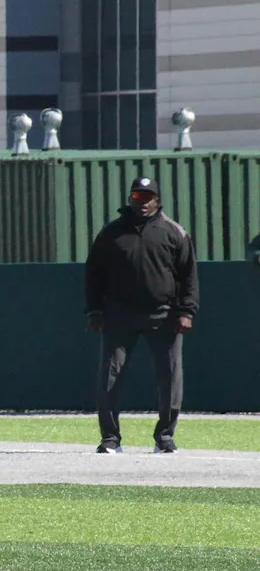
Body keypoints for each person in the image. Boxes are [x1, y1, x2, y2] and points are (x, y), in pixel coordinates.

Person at [85, 176, 198, 454]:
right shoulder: (110, 234)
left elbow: (188, 276)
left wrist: (186, 311)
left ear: (157, 200)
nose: (143, 202)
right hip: (119, 315)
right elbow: (94, 275)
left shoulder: (174, 232)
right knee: (109, 376)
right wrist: (95, 310)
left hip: (164, 315)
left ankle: (165, 437)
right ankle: (110, 438)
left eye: (148, 197)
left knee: (170, 376)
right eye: (137, 197)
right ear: (129, 199)